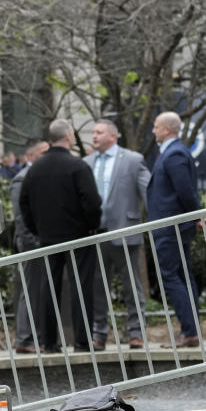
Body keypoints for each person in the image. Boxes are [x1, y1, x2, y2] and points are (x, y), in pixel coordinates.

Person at [20, 120, 101, 353]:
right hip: (79, 236)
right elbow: (92, 202)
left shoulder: (34, 169)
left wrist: (38, 229)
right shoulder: (78, 166)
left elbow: (24, 203)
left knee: (49, 288)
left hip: (48, 237)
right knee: (81, 287)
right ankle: (83, 341)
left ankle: (49, 342)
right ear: (68, 137)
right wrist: (90, 226)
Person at [84, 120, 151, 350]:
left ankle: (136, 333)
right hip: (95, 235)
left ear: (113, 136)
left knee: (132, 287)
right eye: (93, 132)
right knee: (98, 288)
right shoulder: (86, 162)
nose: (94, 136)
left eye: (99, 132)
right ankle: (98, 334)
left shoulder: (132, 160)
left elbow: (148, 192)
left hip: (125, 232)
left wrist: (156, 222)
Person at [148, 111, 202, 348]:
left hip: (172, 227)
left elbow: (185, 191)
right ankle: (190, 330)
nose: (153, 130)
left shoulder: (175, 153)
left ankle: (189, 331)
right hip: (175, 225)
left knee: (172, 276)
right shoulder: (174, 152)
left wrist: (196, 215)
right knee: (181, 276)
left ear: (168, 129)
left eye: (156, 126)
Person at [11, 138, 48, 353]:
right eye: (43, 151)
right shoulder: (21, 179)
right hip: (30, 242)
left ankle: (37, 337)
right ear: (31, 156)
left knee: (39, 290)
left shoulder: (39, 175)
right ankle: (24, 339)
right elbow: (20, 217)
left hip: (41, 241)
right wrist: (32, 241)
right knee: (30, 289)